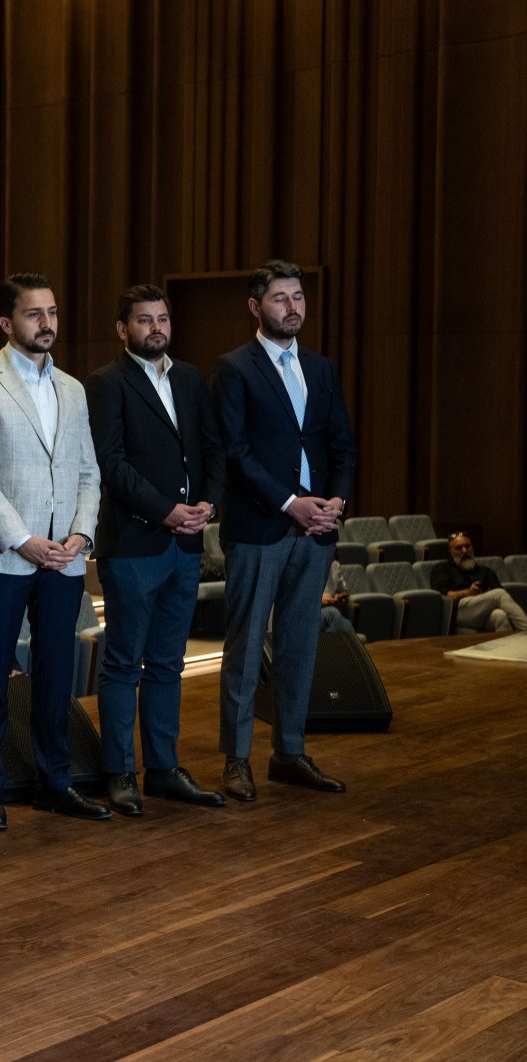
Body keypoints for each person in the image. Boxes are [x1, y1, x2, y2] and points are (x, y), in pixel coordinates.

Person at [0, 273, 106, 830]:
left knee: (56, 671)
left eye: (53, 312)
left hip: (64, 555)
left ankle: (55, 780)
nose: (47, 324)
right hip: (5, 554)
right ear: (6, 322)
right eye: (34, 314)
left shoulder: (73, 388)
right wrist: (24, 539)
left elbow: (89, 471)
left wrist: (81, 536)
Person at [211, 259, 356, 803]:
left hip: (316, 530)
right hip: (258, 527)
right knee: (246, 647)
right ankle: (237, 759)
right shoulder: (233, 367)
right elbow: (236, 452)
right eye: (280, 298)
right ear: (256, 307)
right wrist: (292, 502)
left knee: (299, 645)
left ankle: (290, 753)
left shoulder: (320, 368)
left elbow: (341, 445)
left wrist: (334, 502)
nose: (293, 306)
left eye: (298, 297)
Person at [84, 285, 225, 817]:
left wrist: (208, 503)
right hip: (136, 542)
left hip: (187, 542)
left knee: (169, 663)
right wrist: (166, 510)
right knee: (124, 663)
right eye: (144, 321)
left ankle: (163, 769)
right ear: (124, 330)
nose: (156, 328)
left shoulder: (189, 377)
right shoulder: (106, 383)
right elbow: (111, 464)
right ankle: (121, 772)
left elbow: (213, 449)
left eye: (162, 319)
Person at [430, 533, 527, 631]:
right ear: (450, 552)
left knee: (500, 616)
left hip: (482, 611)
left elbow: (498, 593)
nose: (465, 551)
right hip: (456, 612)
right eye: (458, 548)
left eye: (467, 546)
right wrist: (469, 592)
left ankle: (509, 646)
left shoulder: (485, 571)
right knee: (499, 594)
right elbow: (444, 596)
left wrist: (483, 593)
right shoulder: (442, 568)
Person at [321, 560, 356, 633]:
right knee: (331, 613)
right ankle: (355, 642)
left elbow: (344, 591)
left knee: (331, 632)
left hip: (332, 607)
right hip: (311, 614)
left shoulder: (334, 564)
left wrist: (339, 596)